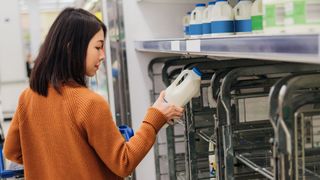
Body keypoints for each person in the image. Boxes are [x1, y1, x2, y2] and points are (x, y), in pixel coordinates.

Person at [3, 8, 184, 180]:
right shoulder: (89, 103)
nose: (103, 55)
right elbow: (124, 162)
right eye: (98, 47)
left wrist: (51, 165)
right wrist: (154, 119)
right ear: (71, 47)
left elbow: (12, 151)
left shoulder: (28, 97)